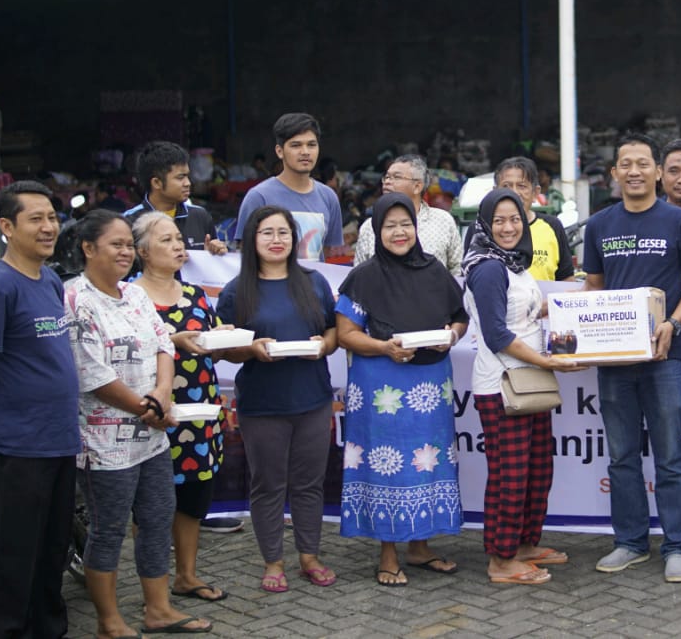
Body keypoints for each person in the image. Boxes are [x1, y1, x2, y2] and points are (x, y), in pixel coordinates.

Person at [65, 210, 212, 638]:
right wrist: (145, 406)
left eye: (129, 245)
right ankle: (109, 622)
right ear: (89, 249)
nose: (126, 252)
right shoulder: (76, 300)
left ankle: (159, 609)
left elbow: (164, 344)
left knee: (157, 516)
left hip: (152, 434)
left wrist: (161, 395)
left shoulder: (134, 294)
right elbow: (90, 372)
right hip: (104, 440)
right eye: (117, 245)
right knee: (108, 528)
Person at [0, 180, 80, 639]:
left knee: (51, 552)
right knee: (13, 558)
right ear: (7, 226)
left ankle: (49, 630)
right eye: (35, 219)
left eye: (52, 217)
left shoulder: (49, 278)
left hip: (60, 440)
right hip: (19, 447)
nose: (49, 228)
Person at [584, 133, 681, 583]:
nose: (634, 171)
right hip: (615, 363)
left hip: (665, 357)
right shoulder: (599, 225)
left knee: (671, 454)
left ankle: (678, 546)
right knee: (621, 457)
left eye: (642, 163)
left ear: (657, 171)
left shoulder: (680, 223)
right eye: (625, 164)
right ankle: (631, 542)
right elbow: (593, 290)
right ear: (614, 173)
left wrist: (672, 324)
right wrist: (578, 329)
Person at [335, 192, 469, 587]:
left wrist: (452, 336)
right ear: (377, 230)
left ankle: (419, 546)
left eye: (405, 224)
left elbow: (459, 317)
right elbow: (345, 334)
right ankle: (387, 554)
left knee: (426, 461)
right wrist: (384, 347)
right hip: (382, 387)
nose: (399, 232)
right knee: (387, 465)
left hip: (431, 385)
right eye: (390, 225)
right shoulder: (364, 276)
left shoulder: (434, 270)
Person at [463, 189, 588, 584]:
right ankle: (501, 559)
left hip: (529, 380)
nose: (508, 227)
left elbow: (531, 311)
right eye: (498, 220)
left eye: (514, 219)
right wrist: (548, 362)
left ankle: (524, 543)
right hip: (502, 384)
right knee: (510, 475)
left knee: (536, 469)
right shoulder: (486, 268)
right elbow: (497, 334)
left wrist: (586, 304)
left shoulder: (515, 265)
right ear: (484, 223)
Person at [216, 205, 339, 593]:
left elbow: (335, 331)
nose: (276, 240)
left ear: (294, 238)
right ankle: (273, 561)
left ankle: (309, 556)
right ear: (253, 240)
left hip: (313, 399)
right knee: (268, 485)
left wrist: (324, 345)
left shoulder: (314, 282)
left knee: (309, 484)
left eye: (283, 233)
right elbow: (224, 349)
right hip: (262, 404)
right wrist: (252, 348)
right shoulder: (238, 290)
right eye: (267, 233)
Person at [131, 212, 233, 601]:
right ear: (142, 251)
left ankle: (186, 576)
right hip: (151, 410)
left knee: (193, 497)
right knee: (149, 504)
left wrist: (221, 337)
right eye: (166, 240)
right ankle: (151, 585)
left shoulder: (196, 294)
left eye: (179, 239)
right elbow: (128, 347)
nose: (178, 246)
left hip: (199, 410)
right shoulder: (129, 297)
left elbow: (210, 347)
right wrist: (176, 339)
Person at [235, 113, 345, 260]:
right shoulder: (259, 197)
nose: (305, 152)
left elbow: (325, 252)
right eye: (296, 145)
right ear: (279, 151)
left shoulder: (329, 197)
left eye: (311, 145)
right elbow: (245, 253)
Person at [356, 154, 463, 274]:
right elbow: (359, 277)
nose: (387, 182)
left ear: (417, 187)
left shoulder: (443, 221)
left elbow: (457, 269)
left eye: (396, 177)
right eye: (386, 177)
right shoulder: (369, 226)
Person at [126, 140, 227, 256]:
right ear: (157, 183)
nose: (188, 183)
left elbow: (213, 264)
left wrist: (217, 252)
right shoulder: (130, 222)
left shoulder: (200, 217)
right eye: (180, 177)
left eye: (187, 176)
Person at [493, 156, 575, 281]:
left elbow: (566, 279)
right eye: (506, 186)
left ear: (535, 193)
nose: (514, 193)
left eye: (522, 186)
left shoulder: (552, 226)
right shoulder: (482, 228)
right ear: (495, 192)